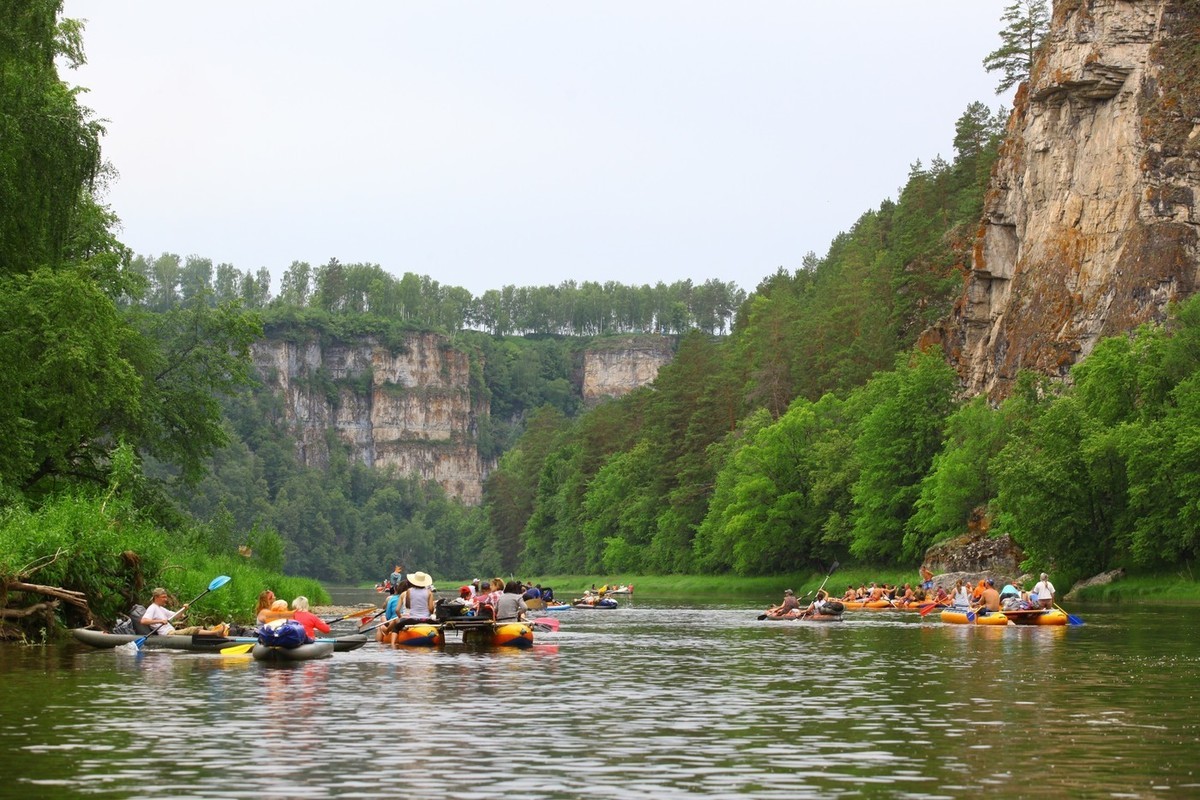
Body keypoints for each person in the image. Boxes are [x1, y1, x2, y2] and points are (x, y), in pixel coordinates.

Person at [141, 588, 228, 636]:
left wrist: (184, 608)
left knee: (199, 627)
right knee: (192, 629)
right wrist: (159, 621)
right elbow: (143, 621)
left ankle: (216, 632)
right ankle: (215, 633)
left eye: (166, 597)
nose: (166, 599)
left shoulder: (161, 608)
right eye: (163, 597)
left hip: (172, 631)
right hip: (168, 634)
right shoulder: (152, 608)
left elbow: (177, 615)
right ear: (156, 597)